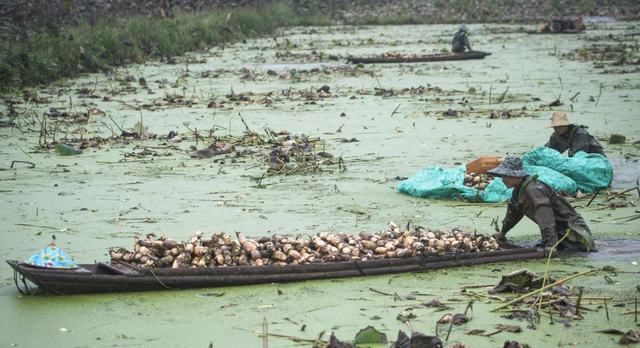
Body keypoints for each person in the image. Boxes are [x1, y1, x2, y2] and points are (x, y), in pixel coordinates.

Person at [488, 156, 595, 256]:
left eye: (505, 175)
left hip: (574, 233)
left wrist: (550, 245)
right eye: (502, 176)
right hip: (556, 233)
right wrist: (502, 232)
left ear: (516, 174)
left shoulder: (534, 190)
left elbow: (545, 216)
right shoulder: (519, 190)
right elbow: (514, 212)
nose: (503, 180)